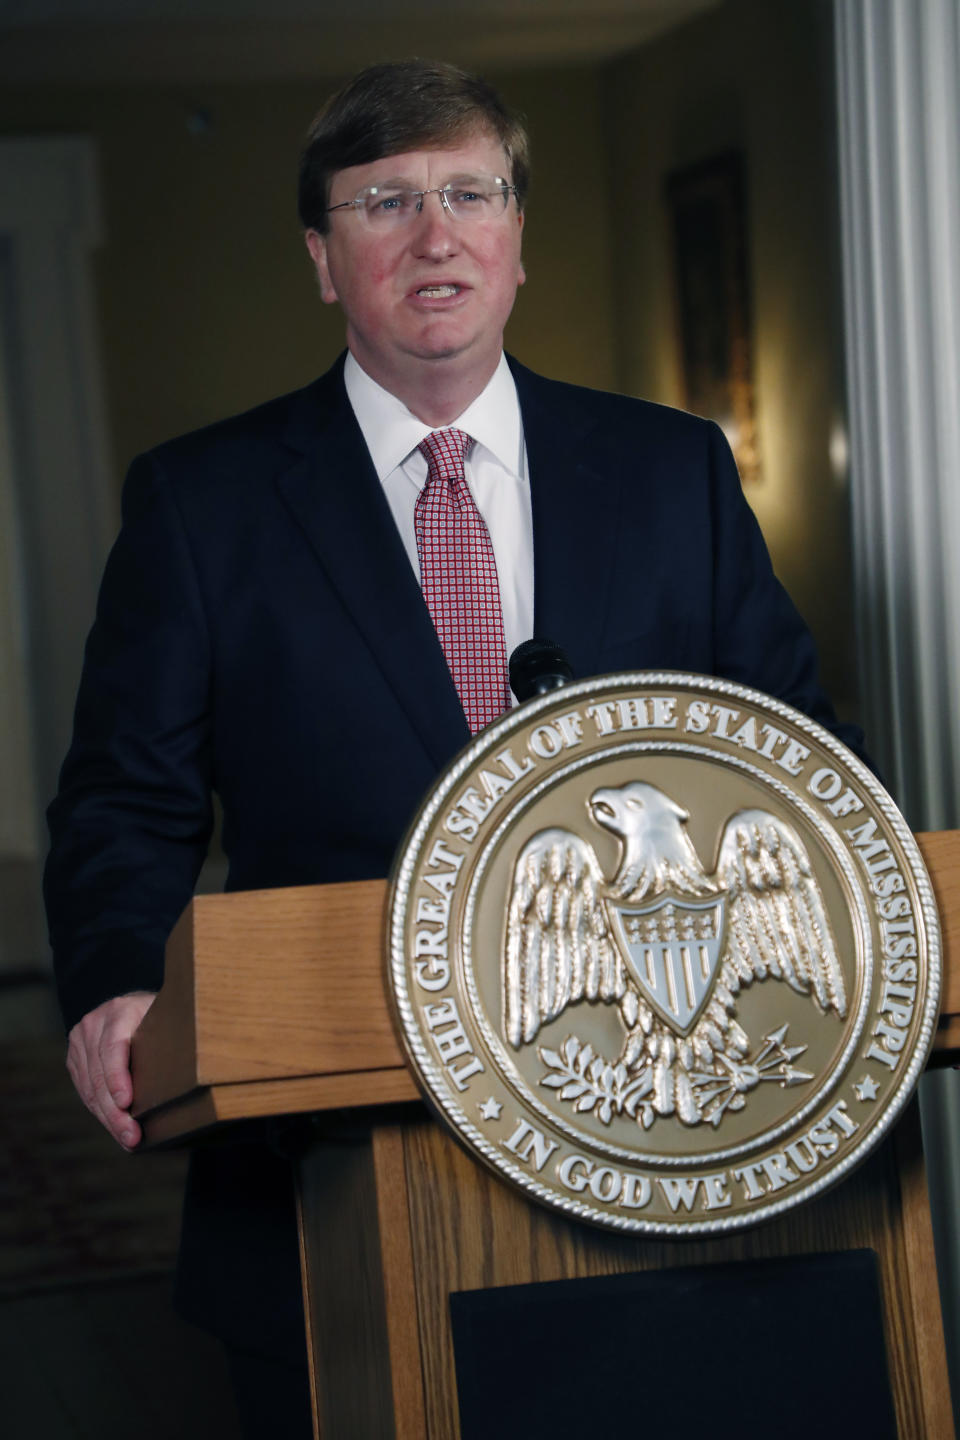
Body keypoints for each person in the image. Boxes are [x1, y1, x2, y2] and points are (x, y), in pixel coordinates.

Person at [44, 58, 865, 1438]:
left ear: (518, 241)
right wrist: (120, 984)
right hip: (330, 1166)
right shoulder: (204, 504)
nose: (435, 234)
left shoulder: (674, 471)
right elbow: (125, 799)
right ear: (323, 257)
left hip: (660, 1154)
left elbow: (800, 748)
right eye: (385, 202)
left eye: (469, 193)